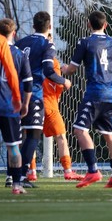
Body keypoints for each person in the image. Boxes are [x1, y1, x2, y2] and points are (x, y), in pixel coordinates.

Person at [61, 10, 112, 188]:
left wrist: (59, 66)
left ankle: (93, 170)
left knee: (79, 130)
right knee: (111, 135)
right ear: (105, 25)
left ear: (88, 24)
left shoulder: (85, 42)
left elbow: (71, 70)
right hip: (110, 96)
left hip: (94, 95)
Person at [15, 11, 71, 188]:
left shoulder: (20, 43)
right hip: (37, 96)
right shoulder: (47, 46)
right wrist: (64, 81)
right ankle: (23, 174)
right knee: (34, 135)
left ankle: (16, 174)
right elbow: (49, 71)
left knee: (18, 137)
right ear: (49, 27)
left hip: (15, 94)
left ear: (33, 25)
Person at [0, 18, 33, 195]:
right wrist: (24, 103)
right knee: (14, 146)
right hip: (10, 107)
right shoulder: (19, 54)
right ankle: (16, 184)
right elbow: (28, 83)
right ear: (14, 33)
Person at [40, 34, 84, 181]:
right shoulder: (53, 62)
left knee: (29, 137)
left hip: (33, 102)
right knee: (61, 137)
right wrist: (65, 80)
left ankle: (30, 171)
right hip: (50, 104)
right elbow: (59, 85)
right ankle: (68, 170)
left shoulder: (31, 59)